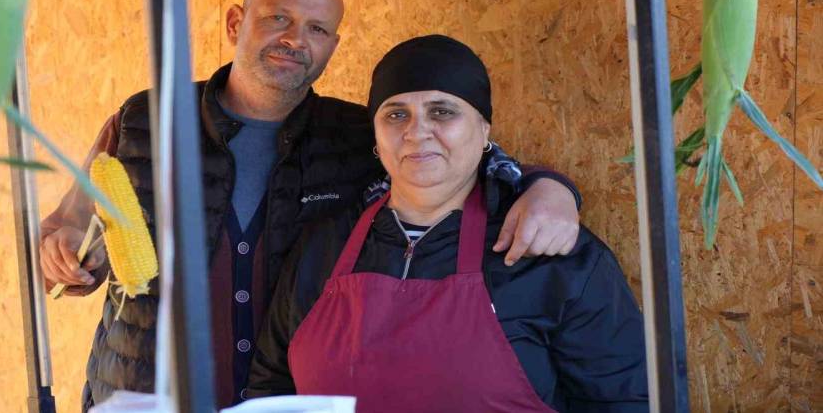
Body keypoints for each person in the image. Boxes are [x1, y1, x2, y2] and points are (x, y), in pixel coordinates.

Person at [38, 0, 584, 411]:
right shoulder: (145, 121)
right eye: (278, 17)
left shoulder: (355, 137)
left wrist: (550, 189)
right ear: (235, 22)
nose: (295, 39)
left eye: (317, 30)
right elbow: (68, 226)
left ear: (332, 46)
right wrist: (62, 253)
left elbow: (468, 162)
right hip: (145, 396)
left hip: (286, 401)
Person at [246, 35, 648, 412]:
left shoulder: (549, 251)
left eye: (442, 111)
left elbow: (630, 401)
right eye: (396, 114)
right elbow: (273, 386)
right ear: (376, 137)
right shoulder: (323, 246)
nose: (417, 132)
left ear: (484, 129)